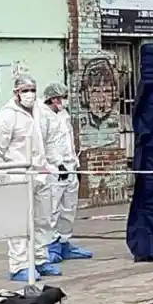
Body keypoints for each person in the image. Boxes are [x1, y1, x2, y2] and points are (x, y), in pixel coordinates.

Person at [0, 74, 62, 282]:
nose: (29, 94)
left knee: (43, 220)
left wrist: (56, 164)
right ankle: (19, 265)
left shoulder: (41, 112)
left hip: (41, 175)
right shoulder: (7, 116)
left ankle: (40, 259)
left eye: (32, 89)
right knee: (19, 222)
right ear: (16, 93)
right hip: (17, 176)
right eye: (24, 90)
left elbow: (51, 138)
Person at [42, 83, 93, 261]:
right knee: (52, 209)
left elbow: (68, 141)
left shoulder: (63, 115)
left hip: (70, 167)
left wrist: (74, 163)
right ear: (53, 98)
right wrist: (56, 164)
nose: (63, 101)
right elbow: (43, 145)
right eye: (61, 98)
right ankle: (51, 245)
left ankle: (65, 242)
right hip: (54, 171)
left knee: (69, 208)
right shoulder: (42, 116)